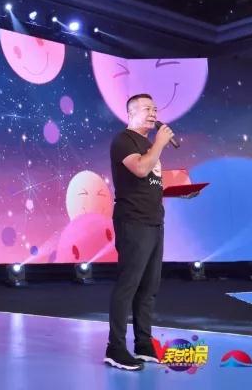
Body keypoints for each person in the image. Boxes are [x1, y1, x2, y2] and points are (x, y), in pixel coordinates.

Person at [104, 93, 176, 371]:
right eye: (147, 109)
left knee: (149, 287)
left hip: (154, 220)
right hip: (133, 221)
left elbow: (152, 182)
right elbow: (141, 169)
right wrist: (160, 143)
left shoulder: (148, 144)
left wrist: (180, 192)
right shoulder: (124, 140)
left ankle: (143, 344)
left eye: (155, 109)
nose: (153, 113)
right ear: (131, 113)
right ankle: (115, 348)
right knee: (129, 284)